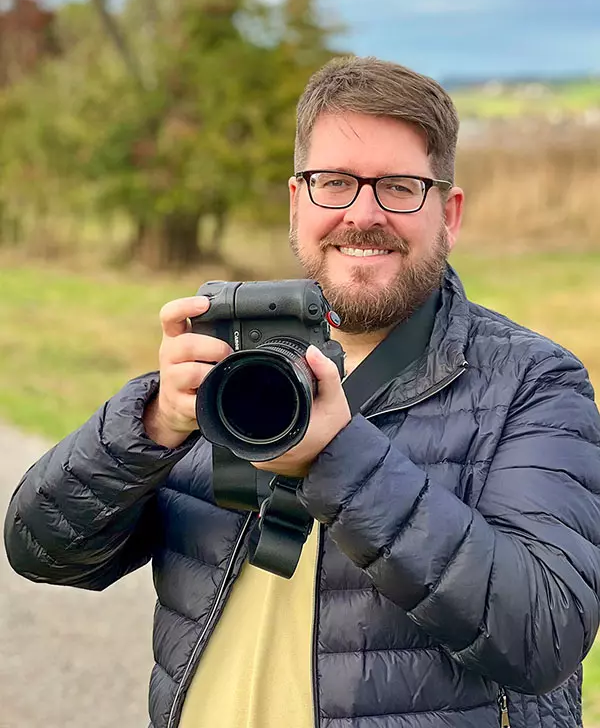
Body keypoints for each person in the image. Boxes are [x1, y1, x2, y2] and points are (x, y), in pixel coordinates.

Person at [4, 56, 600, 728]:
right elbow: (42, 551)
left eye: (400, 187)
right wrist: (152, 422)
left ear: (449, 213)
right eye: (335, 182)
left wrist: (338, 459)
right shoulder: (234, 360)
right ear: (297, 201)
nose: (363, 213)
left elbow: (546, 635)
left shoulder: (530, 384)